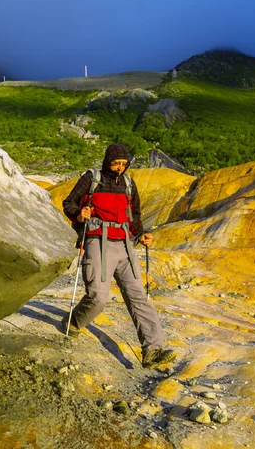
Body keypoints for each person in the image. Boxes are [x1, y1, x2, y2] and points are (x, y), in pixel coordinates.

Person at [62, 143, 176, 369]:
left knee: (138, 297)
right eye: (116, 163)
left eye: (124, 164)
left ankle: (152, 349)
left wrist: (141, 234)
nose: (119, 168)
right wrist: (79, 213)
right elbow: (69, 203)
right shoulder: (91, 178)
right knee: (98, 297)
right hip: (97, 241)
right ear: (108, 161)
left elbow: (134, 215)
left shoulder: (128, 183)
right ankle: (74, 321)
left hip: (125, 244)